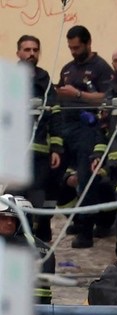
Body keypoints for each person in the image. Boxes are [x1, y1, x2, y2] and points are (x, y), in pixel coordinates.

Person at [54, 25, 114, 248]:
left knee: (86, 177)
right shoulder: (67, 69)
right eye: (70, 48)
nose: (73, 52)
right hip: (65, 126)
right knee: (56, 175)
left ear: (88, 44)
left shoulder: (101, 68)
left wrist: (78, 94)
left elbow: (107, 98)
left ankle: (87, 230)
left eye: (77, 47)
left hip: (88, 128)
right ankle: (77, 218)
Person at [12, 35, 60, 240]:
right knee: (16, 194)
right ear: (18, 53)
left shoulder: (44, 78)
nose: (31, 53)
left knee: (39, 192)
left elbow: (55, 114)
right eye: (27, 50)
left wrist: (56, 148)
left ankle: (40, 233)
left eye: (35, 50)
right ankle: (18, 234)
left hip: (40, 149)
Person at [0, 195, 54, 309]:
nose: (9, 223)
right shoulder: (43, 246)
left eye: (13, 219)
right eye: (4, 218)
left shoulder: (16, 248)